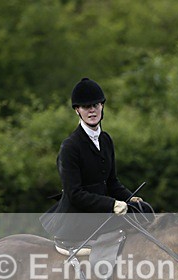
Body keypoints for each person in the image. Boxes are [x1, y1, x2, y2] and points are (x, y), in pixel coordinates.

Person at [40, 78, 145, 249]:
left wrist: (129, 198)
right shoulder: (70, 146)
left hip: (101, 213)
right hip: (79, 218)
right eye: (86, 107)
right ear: (77, 110)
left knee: (144, 211)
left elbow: (112, 182)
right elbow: (75, 193)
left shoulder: (106, 140)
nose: (92, 110)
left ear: (102, 106)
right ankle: (104, 276)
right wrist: (112, 205)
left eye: (95, 105)